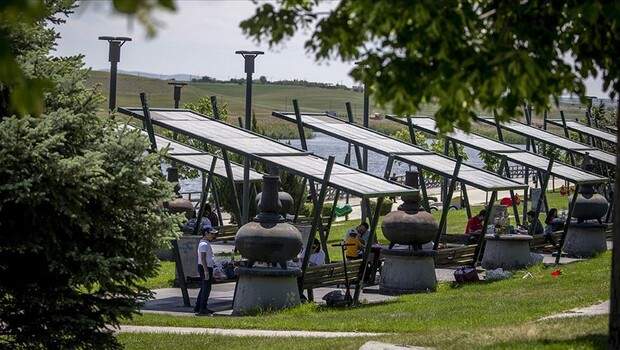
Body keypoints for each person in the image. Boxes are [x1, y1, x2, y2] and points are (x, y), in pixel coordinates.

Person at [194, 229, 216, 316]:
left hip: (206, 267)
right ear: (206, 233)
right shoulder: (203, 244)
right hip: (205, 268)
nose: (213, 235)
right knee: (206, 289)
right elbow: (203, 258)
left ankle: (198, 307)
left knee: (204, 288)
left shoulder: (205, 243)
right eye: (211, 234)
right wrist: (206, 270)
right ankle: (202, 309)